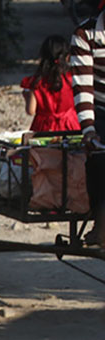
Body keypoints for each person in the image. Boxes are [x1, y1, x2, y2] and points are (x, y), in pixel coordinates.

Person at [72, 5, 105, 245]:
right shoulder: (86, 34)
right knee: (99, 158)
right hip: (101, 113)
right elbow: (83, 89)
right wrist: (89, 131)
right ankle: (101, 222)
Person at [22, 35, 78, 133]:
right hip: (70, 125)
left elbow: (31, 111)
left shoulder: (36, 82)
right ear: (67, 56)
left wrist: (27, 97)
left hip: (44, 128)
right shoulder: (72, 78)